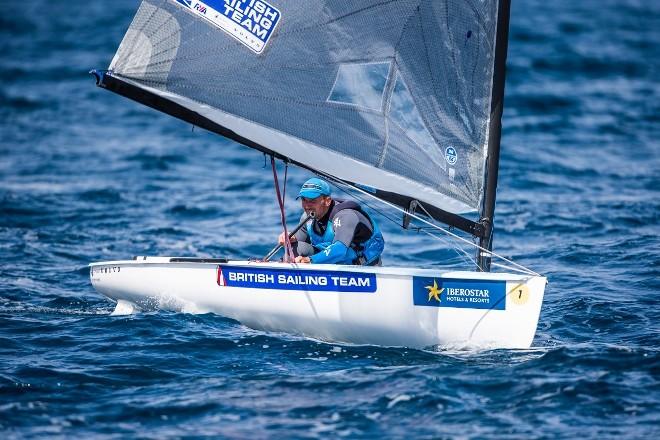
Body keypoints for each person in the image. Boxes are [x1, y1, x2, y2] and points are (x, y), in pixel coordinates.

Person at [278, 178, 385, 265]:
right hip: (331, 261)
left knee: (341, 253)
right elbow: (296, 245)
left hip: (362, 267)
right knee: (294, 248)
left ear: (327, 201)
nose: (306, 206)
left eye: (312, 201)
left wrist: (310, 260)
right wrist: (289, 238)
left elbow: (340, 250)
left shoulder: (346, 216)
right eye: (304, 200)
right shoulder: (306, 217)